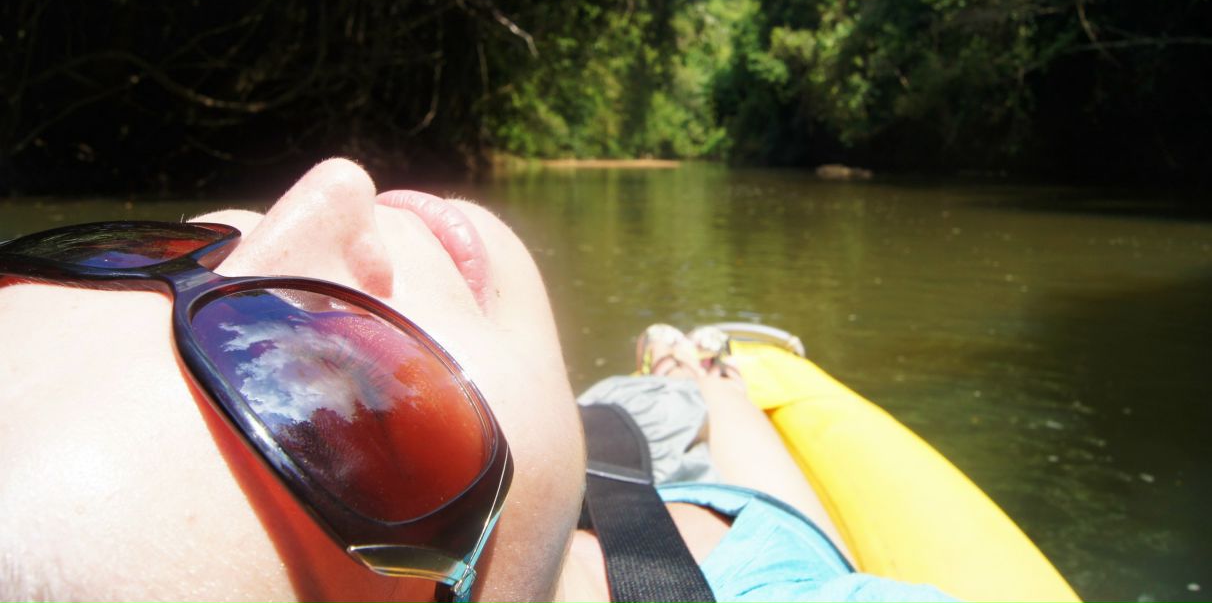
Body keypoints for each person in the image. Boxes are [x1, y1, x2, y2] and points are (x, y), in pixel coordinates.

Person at [0, 158, 952, 602]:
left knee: (628, 413)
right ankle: (697, 362)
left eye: (122, 258)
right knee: (716, 410)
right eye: (329, 399)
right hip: (736, 548)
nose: (328, 194)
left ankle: (669, 366)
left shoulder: (514, 466)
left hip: (583, 465)